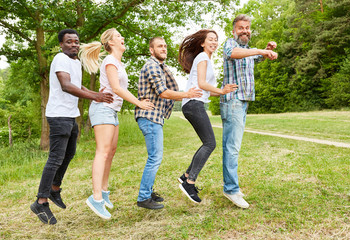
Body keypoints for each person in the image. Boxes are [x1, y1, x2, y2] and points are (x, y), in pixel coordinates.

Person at [30, 29, 113, 225]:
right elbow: (66, 85)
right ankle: (41, 201)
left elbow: (78, 86)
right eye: (69, 42)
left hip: (70, 115)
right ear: (61, 44)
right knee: (55, 158)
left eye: (76, 41)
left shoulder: (75, 62)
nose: (74, 44)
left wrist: (95, 94)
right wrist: (95, 97)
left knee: (69, 154)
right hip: (58, 115)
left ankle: (54, 189)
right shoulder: (60, 59)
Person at [78, 28, 155, 219]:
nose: (123, 38)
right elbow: (116, 88)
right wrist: (139, 103)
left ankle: (103, 192)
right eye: (119, 36)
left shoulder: (118, 63)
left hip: (112, 111)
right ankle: (95, 198)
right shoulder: (110, 61)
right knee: (102, 152)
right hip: (103, 109)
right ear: (111, 42)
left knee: (111, 152)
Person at [135, 37, 203, 210]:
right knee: (154, 158)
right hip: (149, 116)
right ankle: (143, 197)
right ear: (151, 50)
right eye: (160, 46)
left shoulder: (161, 67)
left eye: (165, 46)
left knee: (155, 157)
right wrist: (187, 94)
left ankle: (147, 192)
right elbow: (163, 92)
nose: (164, 48)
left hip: (154, 116)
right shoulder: (151, 66)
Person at [221, 14, 278, 208]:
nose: (245, 31)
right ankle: (231, 189)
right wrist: (261, 50)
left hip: (243, 101)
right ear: (234, 30)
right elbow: (233, 53)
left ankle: (230, 185)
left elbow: (256, 59)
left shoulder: (247, 50)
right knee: (232, 147)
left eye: (247, 27)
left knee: (233, 146)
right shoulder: (230, 44)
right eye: (241, 28)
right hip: (233, 101)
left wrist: (266, 51)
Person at [177, 30, 238, 203]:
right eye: (210, 39)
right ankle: (189, 182)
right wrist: (221, 90)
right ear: (202, 43)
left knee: (208, 142)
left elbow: (204, 89)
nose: (214, 42)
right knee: (210, 143)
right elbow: (203, 83)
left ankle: (186, 176)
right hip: (193, 104)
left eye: (216, 40)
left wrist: (222, 92)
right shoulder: (203, 58)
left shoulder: (205, 60)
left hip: (194, 103)